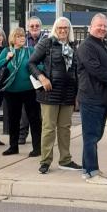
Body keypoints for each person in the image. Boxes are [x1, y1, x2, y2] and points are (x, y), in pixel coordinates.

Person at [29, 17, 82, 174]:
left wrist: (77, 94)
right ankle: (45, 161)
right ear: (55, 29)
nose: (63, 31)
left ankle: (65, 160)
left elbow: (77, 71)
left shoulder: (73, 46)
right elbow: (31, 63)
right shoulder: (47, 43)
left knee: (65, 128)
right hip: (50, 93)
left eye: (66, 28)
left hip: (68, 94)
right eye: (60, 28)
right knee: (49, 128)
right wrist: (42, 77)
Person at [77, 13, 107, 185]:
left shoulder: (105, 44)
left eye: (105, 26)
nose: (102, 28)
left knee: (96, 135)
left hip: (105, 98)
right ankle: (91, 171)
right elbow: (95, 69)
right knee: (91, 136)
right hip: (91, 97)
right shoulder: (86, 46)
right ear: (91, 26)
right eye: (99, 25)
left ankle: (88, 170)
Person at [0, 27, 41, 157]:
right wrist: (6, 59)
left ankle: (37, 147)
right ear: (12, 39)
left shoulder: (30, 51)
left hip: (29, 90)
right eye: (18, 36)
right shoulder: (6, 51)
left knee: (34, 119)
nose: (21, 39)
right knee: (13, 119)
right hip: (11, 91)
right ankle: (13, 147)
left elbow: (39, 65)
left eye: (22, 36)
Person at [19, 16, 48, 145]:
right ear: (28, 28)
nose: (34, 28)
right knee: (25, 109)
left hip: (42, 76)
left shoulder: (47, 40)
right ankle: (22, 135)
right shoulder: (23, 40)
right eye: (32, 26)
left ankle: (40, 136)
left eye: (37, 26)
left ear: (40, 27)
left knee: (41, 109)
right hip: (27, 77)